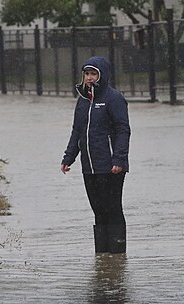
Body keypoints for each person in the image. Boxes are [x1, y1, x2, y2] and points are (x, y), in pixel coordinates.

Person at [60, 56, 131, 254]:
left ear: (102, 75)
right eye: (87, 74)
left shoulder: (114, 99)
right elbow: (77, 131)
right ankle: (102, 256)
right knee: (98, 210)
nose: (89, 78)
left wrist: (119, 160)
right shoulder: (82, 101)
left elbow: (123, 130)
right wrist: (68, 157)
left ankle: (117, 256)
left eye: (93, 74)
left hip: (110, 167)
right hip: (89, 167)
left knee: (113, 208)